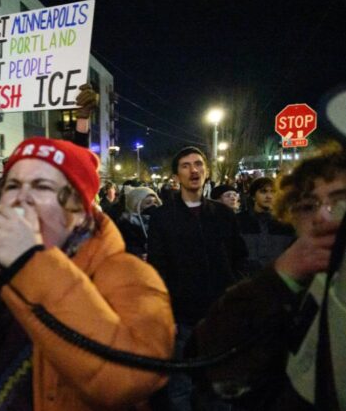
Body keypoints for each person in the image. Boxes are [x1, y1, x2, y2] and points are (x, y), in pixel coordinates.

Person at [0, 137, 174, 410]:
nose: (21, 197)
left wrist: (32, 264)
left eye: (41, 186)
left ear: (78, 206)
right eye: (13, 185)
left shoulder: (130, 276)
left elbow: (127, 381)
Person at [193, 144, 346, 410]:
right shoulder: (287, 285)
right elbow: (209, 362)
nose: (323, 216)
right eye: (308, 206)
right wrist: (278, 277)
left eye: (339, 201)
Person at [147, 146, 249, 410]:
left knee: (221, 385)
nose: (194, 170)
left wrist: (233, 293)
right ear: (176, 176)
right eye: (185, 165)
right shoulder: (162, 217)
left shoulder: (224, 215)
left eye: (198, 164)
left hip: (221, 315)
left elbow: (240, 258)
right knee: (181, 385)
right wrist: (167, 314)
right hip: (182, 318)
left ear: (206, 170)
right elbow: (158, 269)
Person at [236, 177, 295, 271]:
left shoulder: (287, 223)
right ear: (253, 196)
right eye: (263, 192)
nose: (269, 196)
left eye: (273, 192)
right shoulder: (238, 221)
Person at [116, 186, 163, 260]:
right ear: (135, 205)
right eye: (148, 203)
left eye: (155, 202)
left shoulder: (161, 221)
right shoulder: (127, 224)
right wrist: (139, 254)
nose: (153, 206)